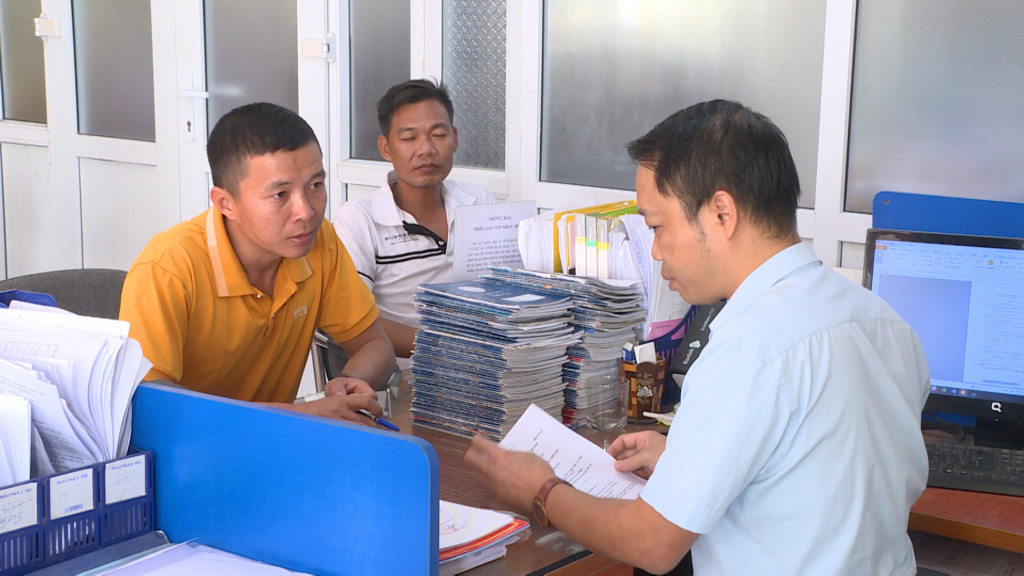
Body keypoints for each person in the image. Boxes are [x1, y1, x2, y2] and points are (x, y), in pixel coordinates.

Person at [464, 100, 931, 575]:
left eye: (657, 226)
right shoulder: (884, 322)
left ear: (721, 214)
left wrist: (542, 491)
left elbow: (652, 544)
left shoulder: (749, 347)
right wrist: (686, 456)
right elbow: (824, 472)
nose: (655, 250)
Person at [120, 102, 397, 426]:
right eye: (280, 195)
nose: (306, 211)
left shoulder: (319, 241)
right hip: (190, 452)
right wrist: (302, 413)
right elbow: (155, 411)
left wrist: (350, 380)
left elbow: (376, 345)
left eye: (316, 185)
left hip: (274, 441)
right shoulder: (169, 268)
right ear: (226, 203)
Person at [335, 79, 495, 366]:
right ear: (385, 148)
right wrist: (445, 348)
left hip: (482, 371)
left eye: (439, 135)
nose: (427, 149)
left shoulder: (477, 201)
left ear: (455, 139)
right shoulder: (360, 219)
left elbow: (503, 289)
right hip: (402, 378)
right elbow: (352, 321)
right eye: (410, 138)